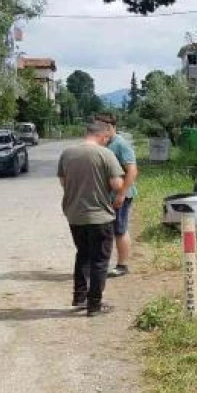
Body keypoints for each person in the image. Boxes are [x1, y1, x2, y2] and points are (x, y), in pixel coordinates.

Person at [57, 121, 124, 316]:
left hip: (75, 214)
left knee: (82, 254)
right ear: (103, 136)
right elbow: (117, 184)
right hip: (99, 216)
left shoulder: (67, 153)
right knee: (100, 260)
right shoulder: (105, 154)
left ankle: (79, 297)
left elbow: (63, 181)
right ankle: (94, 305)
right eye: (107, 139)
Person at [93, 112, 138, 278]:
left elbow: (132, 171)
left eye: (100, 127)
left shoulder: (120, 144)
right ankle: (101, 265)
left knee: (120, 229)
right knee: (104, 231)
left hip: (120, 196)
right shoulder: (103, 143)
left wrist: (121, 194)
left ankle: (122, 265)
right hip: (106, 196)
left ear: (110, 127)